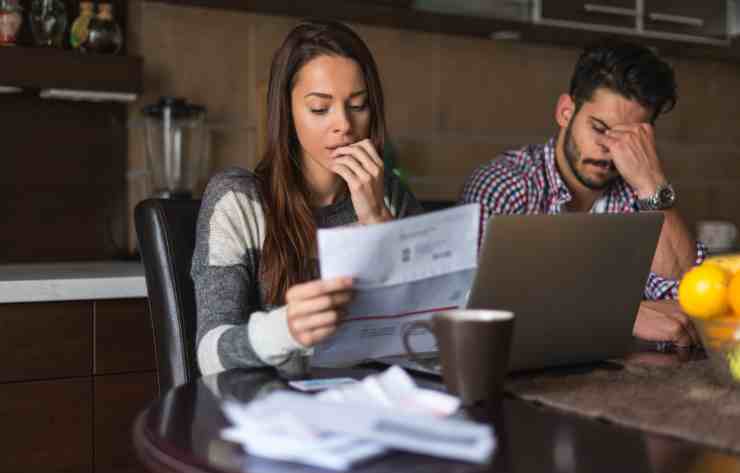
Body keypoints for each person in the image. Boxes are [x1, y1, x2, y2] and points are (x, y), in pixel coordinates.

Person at [192, 20, 422, 377]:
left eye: (358, 106)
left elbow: (429, 335)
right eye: (319, 108)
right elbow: (210, 354)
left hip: (373, 403)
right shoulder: (239, 200)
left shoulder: (390, 196)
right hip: (270, 411)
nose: (343, 124)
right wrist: (286, 330)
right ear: (287, 112)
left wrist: (377, 218)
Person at [460, 39, 705, 348]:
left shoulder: (638, 194)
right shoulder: (505, 185)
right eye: (600, 128)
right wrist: (621, 315)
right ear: (566, 111)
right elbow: (478, 315)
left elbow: (694, 302)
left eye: (628, 138)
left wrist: (652, 183)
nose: (609, 149)